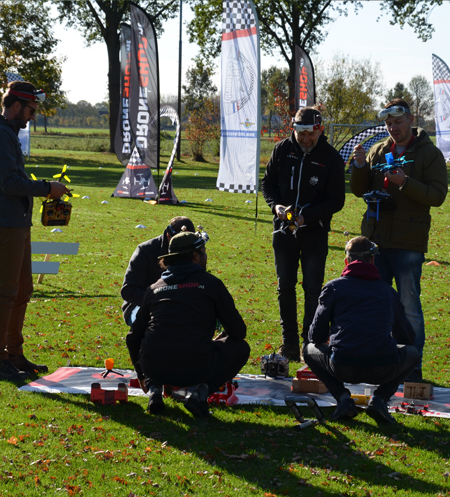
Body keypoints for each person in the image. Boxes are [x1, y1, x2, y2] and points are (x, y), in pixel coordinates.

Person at [0, 81, 70, 381]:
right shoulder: (0, 135)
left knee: (23, 290)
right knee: (6, 293)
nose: (31, 116)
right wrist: (47, 188)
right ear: (16, 105)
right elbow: (9, 183)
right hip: (6, 222)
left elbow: (14, 179)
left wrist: (42, 189)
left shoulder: (6, 134)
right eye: (30, 110)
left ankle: (14, 355)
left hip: (17, 221)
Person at [350, 98, 448, 382]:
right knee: (373, 305)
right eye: (389, 124)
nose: (393, 128)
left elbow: (437, 196)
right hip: (375, 243)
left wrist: (404, 182)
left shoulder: (430, 154)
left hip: (408, 243)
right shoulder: (378, 151)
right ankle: (374, 363)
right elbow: (359, 190)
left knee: (408, 309)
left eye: (398, 122)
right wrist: (358, 166)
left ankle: (411, 370)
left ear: (411, 119)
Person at [126, 232, 250, 417]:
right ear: (195, 255)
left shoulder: (154, 289)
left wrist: (142, 374)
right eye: (204, 251)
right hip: (195, 368)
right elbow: (238, 332)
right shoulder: (211, 284)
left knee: (156, 342)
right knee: (241, 348)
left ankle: (154, 390)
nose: (206, 255)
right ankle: (201, 395)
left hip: (154, 367)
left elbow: (133, 337)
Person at [303, 236, 421, 424]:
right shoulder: (388, 292)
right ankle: (380, 399)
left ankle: (343, 399)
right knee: (413, 353)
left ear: (346, 261)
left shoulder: (334, 287)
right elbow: (408, 337)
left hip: (343, 365)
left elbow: (314, 336)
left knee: (308, 349)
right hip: (383, 366)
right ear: (373, 261)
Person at [261, 106, 346, 362]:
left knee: (312, 289)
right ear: (293, 130)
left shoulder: (331, 157)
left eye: (310, 134)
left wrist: (307, 216)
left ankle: (309, 342)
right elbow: (267, 184)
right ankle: (288, 343)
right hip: (283, 231)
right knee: (284, 287)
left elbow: (336, 200)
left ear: (319, 129)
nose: (305, 140)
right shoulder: (282, 149)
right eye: (301, 134)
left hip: (314, 235)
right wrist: (276, 206)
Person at [120, 216, 195, 326]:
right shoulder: (145, 250)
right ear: (168, 235)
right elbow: (129, 290)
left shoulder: (193, 252)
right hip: (142, 305)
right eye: (179, 243)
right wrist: (160, 302)